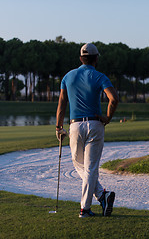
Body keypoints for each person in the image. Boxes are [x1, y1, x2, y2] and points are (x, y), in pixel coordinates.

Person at [56, 43, 119, 218]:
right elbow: (113, 99)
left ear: (80, 58)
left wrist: (58, 127)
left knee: (79, 166)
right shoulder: (99, 76)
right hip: (96, 124)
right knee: (90, 168)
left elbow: (62, 103)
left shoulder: (68, 76)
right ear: (96, 58)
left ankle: (88, 206)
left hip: (75, 125)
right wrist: (107, 117)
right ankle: (101, 196)